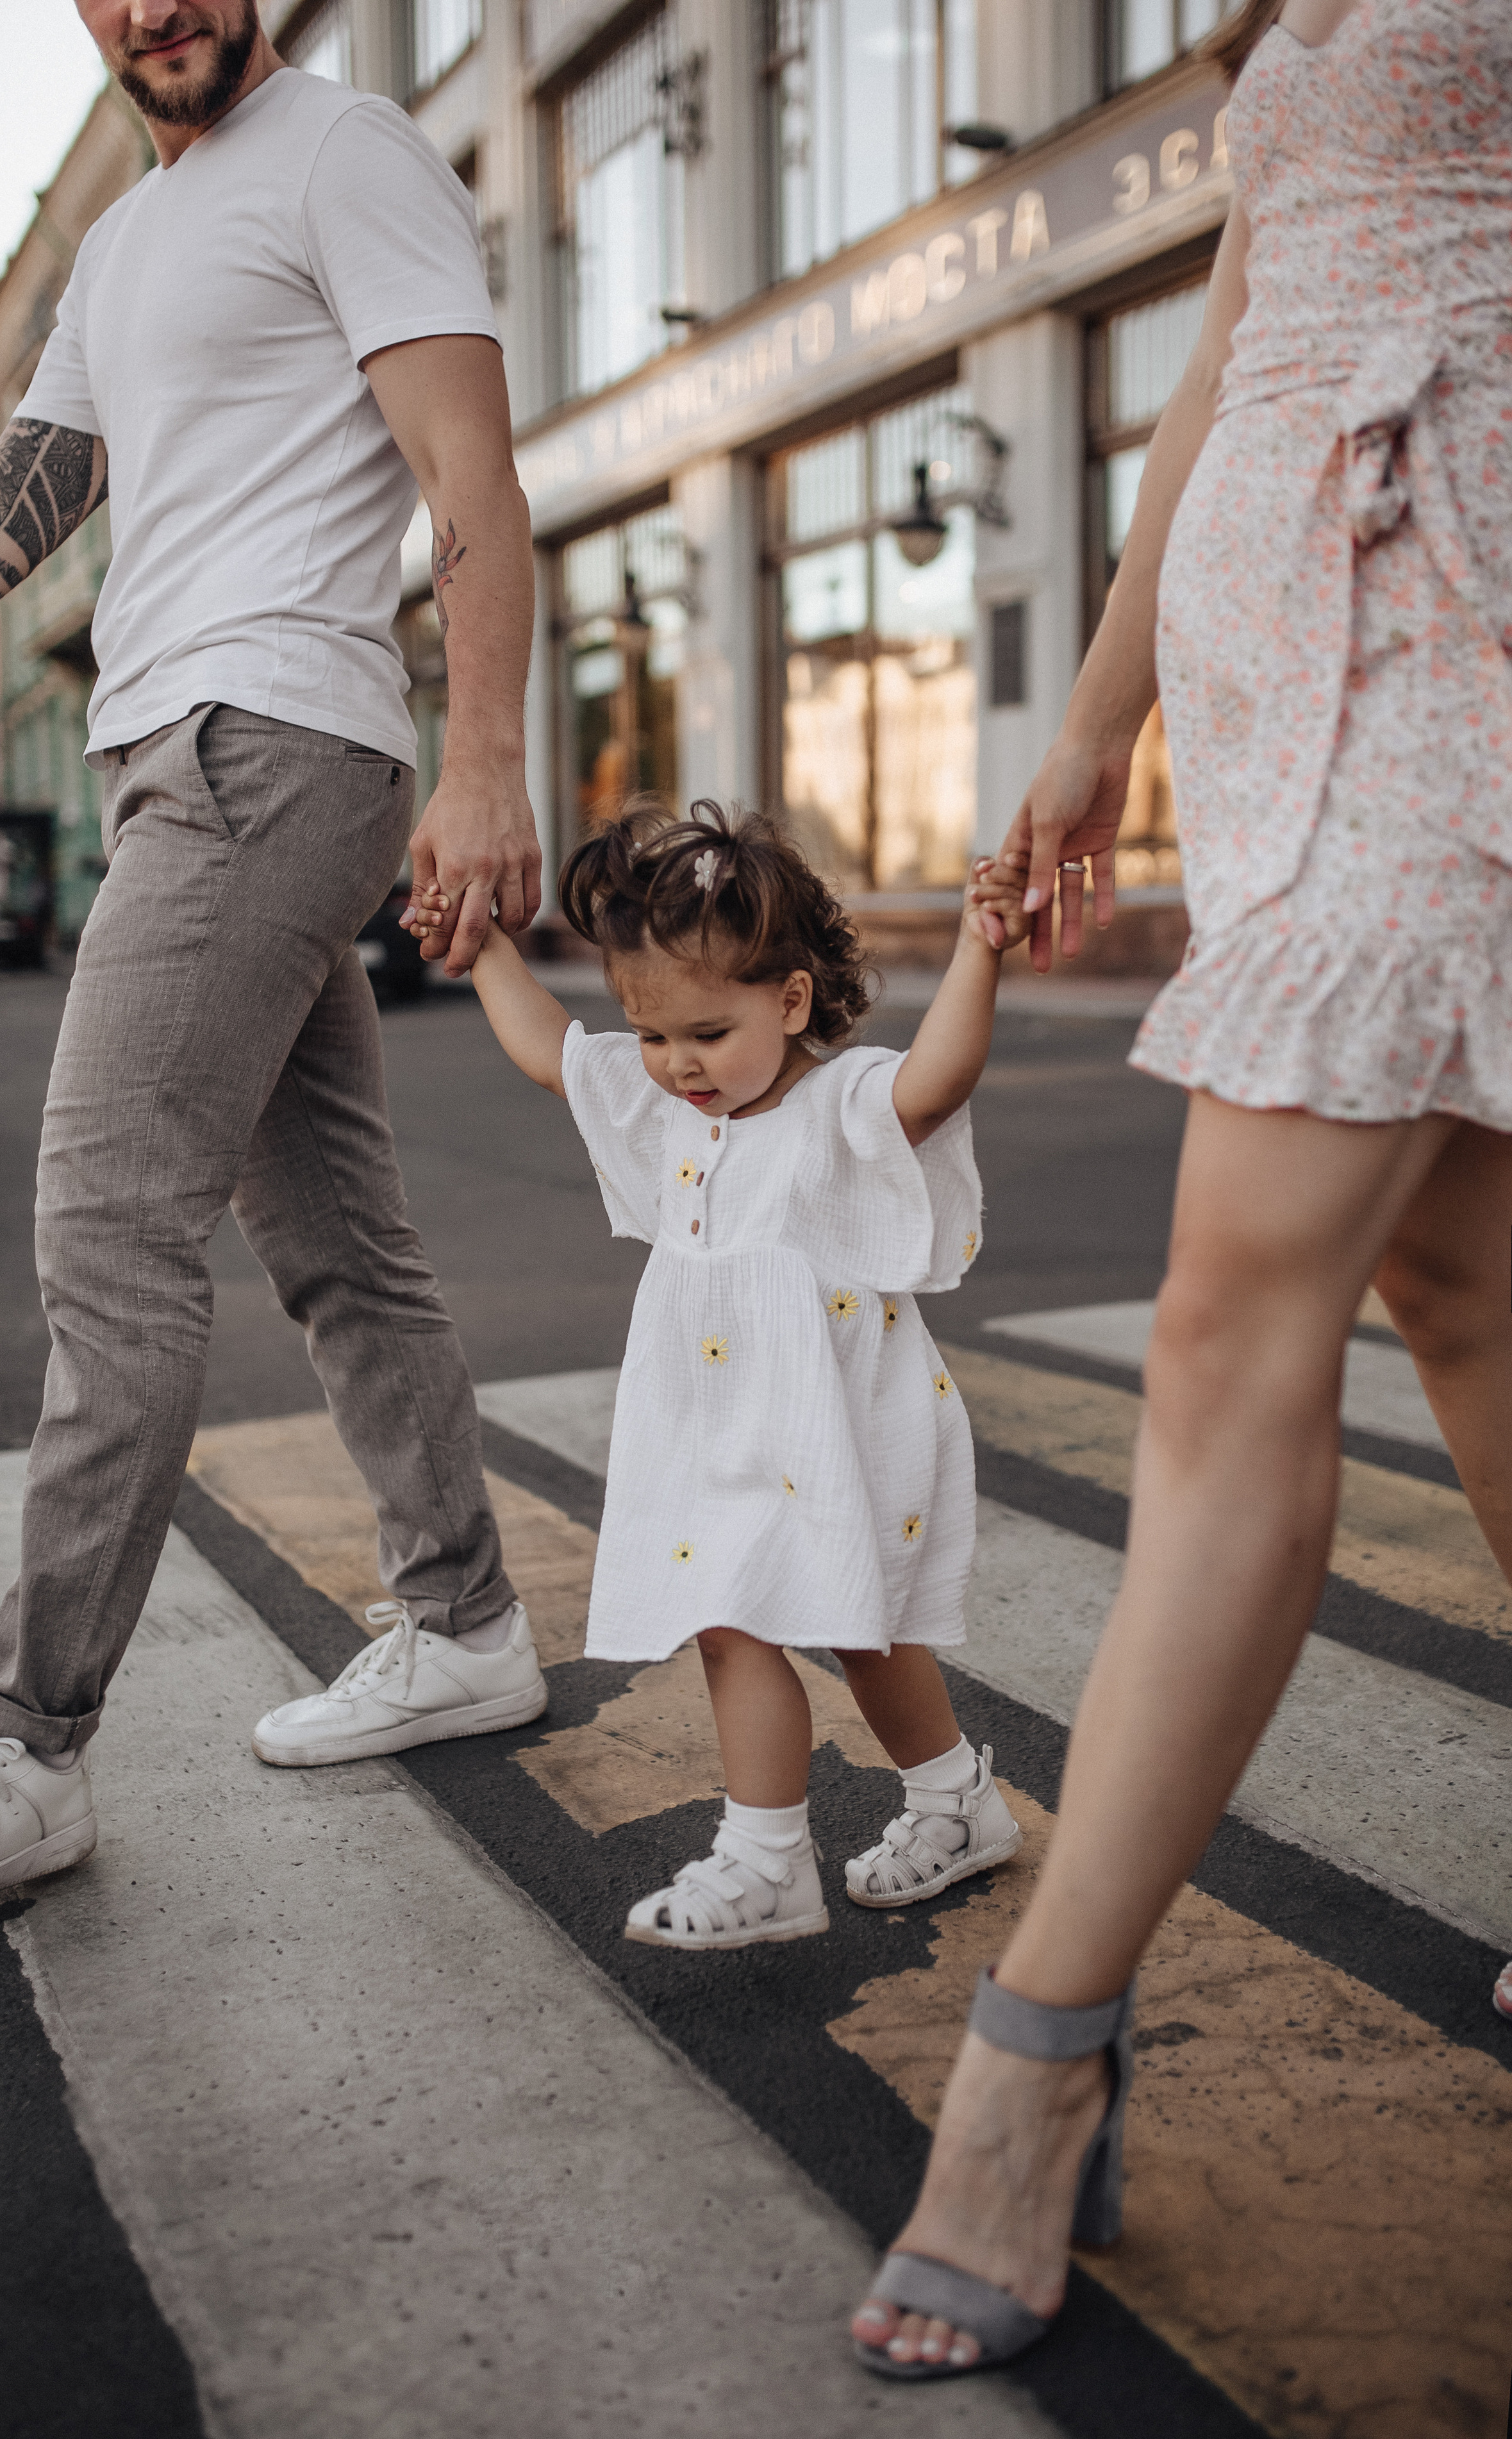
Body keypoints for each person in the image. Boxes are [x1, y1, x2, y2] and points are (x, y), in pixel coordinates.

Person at [850, 0, 1512, 2379]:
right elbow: (1228, 346)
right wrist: (1100, 711)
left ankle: (1036, 2063)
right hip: (1272, 633)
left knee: (1235, 1319)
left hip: (1463, 591)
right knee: (1459, 1278)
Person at [0, 0, 551, 1913]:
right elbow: (11, 520)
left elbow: (472, 479)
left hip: (274, 733)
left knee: (109, 1215)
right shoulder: (120, 246)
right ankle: (469, 1615)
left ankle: (25, 1740)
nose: (156, 5)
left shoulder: (350, 153)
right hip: (178, 749)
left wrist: (487, 766)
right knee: (333, 1234)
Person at [415, 802, 1033, 1946]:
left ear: (791, 999)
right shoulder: (667, 1111)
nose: (674, 1066)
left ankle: (949, 1801)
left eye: (704, 1032)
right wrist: (484, 942)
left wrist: (981, 946)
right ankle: (776, 1856)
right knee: (729, 1617)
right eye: (650, 1035)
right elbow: (555, 1053)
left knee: (872, 1637)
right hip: (718, 1430)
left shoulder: (840, 1111)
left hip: (840, 1428)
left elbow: (938, 1078)